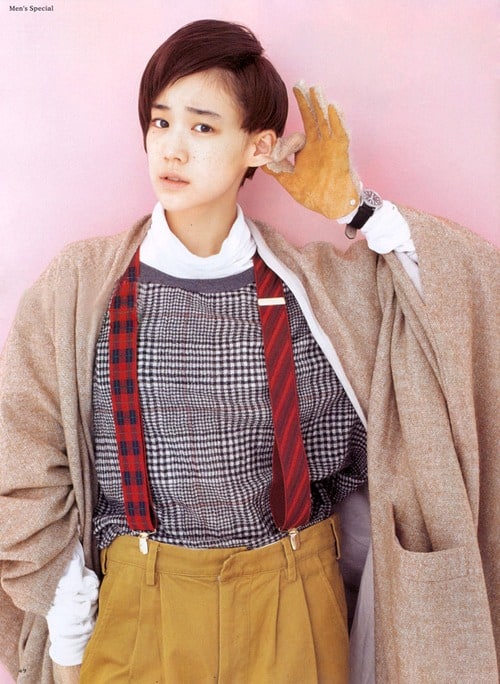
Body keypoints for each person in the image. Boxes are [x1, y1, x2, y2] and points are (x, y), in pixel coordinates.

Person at [0, 18, 498, 684]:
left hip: (296, 606)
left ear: (258, 146)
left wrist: (355, 207)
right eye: (160, 121)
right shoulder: (81, 286)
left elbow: (460, 301)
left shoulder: (320, 289)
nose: (172, 148)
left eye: (203, 127)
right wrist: (67, 633)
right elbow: (25, 462)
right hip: (137, 606)